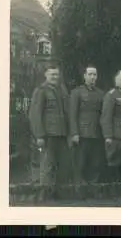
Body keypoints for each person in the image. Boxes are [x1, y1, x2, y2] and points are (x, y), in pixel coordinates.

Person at [28, 64, 71, 199]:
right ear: (46, 75)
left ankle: (59, 195)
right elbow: (35, 114)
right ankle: (44, 196)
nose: (55, 77)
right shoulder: (41, 90)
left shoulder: (62, 90)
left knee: (62, 166)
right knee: (47, 166)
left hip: (62, 134)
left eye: (57, 74)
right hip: (48, 136)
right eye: (52, 74)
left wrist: (69, 133)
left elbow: (67, 113)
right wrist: (39, 135)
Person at [69, 65, 105, 185]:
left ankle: (93, 188)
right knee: (80, 163)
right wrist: (74, 133)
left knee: (95, 163)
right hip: (82, 134)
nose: (92, 77)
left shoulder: (101, 93)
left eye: (95, 74)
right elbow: (72, 114)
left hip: (96, 133)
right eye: (90, 74)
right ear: (84, 76)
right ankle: (79, 189)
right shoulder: (76, 92)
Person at [100, 70, 121, 183]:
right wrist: (108, 136)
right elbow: (106, 117)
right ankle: (113, 190)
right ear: (116, 81)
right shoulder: (111, 95)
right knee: (115, 163)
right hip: (116, 136)